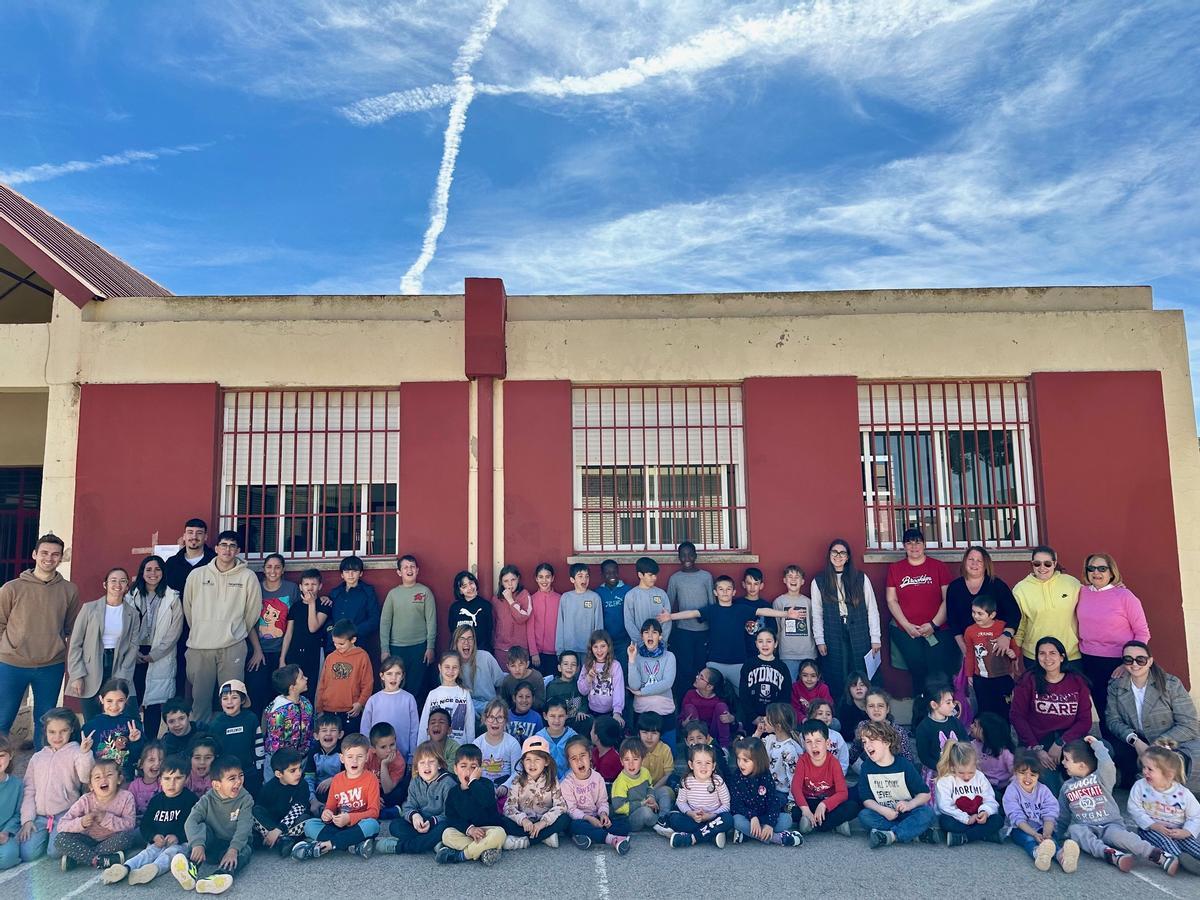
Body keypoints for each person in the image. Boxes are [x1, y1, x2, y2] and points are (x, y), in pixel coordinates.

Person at [1059, 735, 1178, 874]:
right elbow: (1063, 814)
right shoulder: (1066, 787)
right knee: (1075, 831)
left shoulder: (1101, 777)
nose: (1062, 762)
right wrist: (1057, 836)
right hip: (1086, 826)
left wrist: (1097, 745)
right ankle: (1111, 854)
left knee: (1124, 837)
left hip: (1111, 825)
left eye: (1066, 759)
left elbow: (1107, 764)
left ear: (1081, 765)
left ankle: (1158, 855)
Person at [182, 531, 263, 723]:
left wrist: (233, 630)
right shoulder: (197, 575)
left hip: (232, 646)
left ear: (238, 550)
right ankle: (199, 745)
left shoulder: (247, 577)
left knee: (232, 699)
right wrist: (203, 629)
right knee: (200, 700)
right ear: (216, 548)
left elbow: (251, 613)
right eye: (224, 545)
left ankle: (231, 744)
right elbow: (188, 608)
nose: (227, 549)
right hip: (200, 647)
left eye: (232, 546)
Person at [1076, 553, 1151, 745]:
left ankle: (1135, 757)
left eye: (1102, 568)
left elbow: (1142, 632)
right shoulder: (1082, 592)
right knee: (1103, 710)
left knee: (1123, 713)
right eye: (1091, 568)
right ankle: (1112, 758)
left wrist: (1127, 663)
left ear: (1111, 572)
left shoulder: (1125, 596)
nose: (1096, 572)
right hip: (1089, 660)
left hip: (1119, 662)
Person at [1107, 640, 1200, 784]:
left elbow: (1189, 724)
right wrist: (1135, 741)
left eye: (1141, 660)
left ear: (1150, 661)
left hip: (1174, 743)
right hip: (1138, 744)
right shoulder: (1116, 687)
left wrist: (1158, 744)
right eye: (1128, 659)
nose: (1134, 664)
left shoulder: (1170, 684)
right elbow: (1113, 720)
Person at [1010, 637, 1092, 793]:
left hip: (1068, 741)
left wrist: (1061, 742)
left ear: (1062, 657)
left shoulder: (1077, 681)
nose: (1047, 658)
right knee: (1050, 785)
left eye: (1052, 653)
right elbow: (1017, 716)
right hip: (1039, 742)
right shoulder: (1028, 680)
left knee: (1104, 750)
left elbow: (1085, 721)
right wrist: (1037, 749)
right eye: (1042, 653)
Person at [102, 753, 197, 884]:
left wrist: (178, 837)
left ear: (186, 779)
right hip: (158, 841)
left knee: (170, 854)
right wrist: (153, 836)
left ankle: (153, 869)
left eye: (178, 778)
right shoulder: (156, 800)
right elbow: (145, 825)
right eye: (167, 778)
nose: (172, 783)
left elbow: (195, 825)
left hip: (181, 843)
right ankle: (126, 868)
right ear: (160, 780)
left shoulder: (190, 799)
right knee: (146, 853)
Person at [885, 527, 955, 696]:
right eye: (909, 542)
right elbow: (891, 600)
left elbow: (948, 599)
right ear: (904, 546)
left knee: (938, 671)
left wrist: (933, 624)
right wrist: (907, 626)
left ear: (924, 545)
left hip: (938, 630)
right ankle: (921, 709)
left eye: (918, 542)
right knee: (917, 670)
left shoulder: (938, 567)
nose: (914, 546)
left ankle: (942, 708)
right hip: (908, 631)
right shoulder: (896, 569)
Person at [17, 707, 94, 861]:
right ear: (45, 731)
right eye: (52, 732)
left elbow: (86, 777)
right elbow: (29, 790)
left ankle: (75, 836)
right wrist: (27, 820)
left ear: (71, 729)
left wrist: (85, 753)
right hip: (40, 816)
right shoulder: (37, 758)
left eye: (63, 731)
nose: (57, 736)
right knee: (27, 854)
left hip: (65, 814)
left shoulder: (76, 753)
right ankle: (47, 834)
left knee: (55, 852)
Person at [67, 568, 141, 722]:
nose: (118, 584)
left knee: (129, 715)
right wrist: (77, 675)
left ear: (127, 586)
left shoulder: (132, 613)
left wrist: (124, 673)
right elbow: (76, 643)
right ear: (105, 585)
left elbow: (134, 645)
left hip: (119, 665)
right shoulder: (89, 609)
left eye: (123, 581)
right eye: (113, 580)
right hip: (90, 668)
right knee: (92, 719)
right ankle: (95, 747)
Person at [292, 733, 380, 860]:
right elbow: (330, 807)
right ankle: (352, 845)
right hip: (339, 825)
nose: (354, 761)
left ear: (367, 757)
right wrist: (327, 814)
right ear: (342, 758)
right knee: (310, 825)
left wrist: (349, 817)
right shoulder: (337, 779)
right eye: (349, 757)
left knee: (372, 825)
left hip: (359, 824)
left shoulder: (371, 779)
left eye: (360, 756)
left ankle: (326, 845)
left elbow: (374, 812)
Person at [811, 539, 880, 701]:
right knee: (837, 672)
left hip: (859, 631)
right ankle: (840, 712)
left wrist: (875, 638)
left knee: (861, 672)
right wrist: (819, 640)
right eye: (834, 552)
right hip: (833, 633)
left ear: (848, 557)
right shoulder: (819, 581)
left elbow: (872, 609)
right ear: (829, 555)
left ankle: (865, 711)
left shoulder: (861, 578)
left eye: (842, 553)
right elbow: (817, 613)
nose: (838, 556)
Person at [173, 755, 254, 892]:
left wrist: (233, 850)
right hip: (210, 845)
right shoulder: (207, 799)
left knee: (245, 851)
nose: (239, 781)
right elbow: (191, 820)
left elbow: (244, 828)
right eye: (232, 778)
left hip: (233, 845)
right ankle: (190, 869)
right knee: (202, 829)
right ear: (217, 785)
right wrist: (197, 844)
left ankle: (220, 876)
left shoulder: (245, 799)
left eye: (241, 776)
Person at [126, 555, 183, 740]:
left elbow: (175, 630)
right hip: (134, 653)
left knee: (154, 702)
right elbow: (124, 627)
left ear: (163, 573)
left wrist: (155, 654)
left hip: (159, 654)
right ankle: (135, 744)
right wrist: (134, 651)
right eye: (148, 569)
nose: (153, 573)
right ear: (142, 572)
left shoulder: (172, 597)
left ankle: (151, 743)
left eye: (157, 569)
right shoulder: (130, 596)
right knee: (133, 700)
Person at [856, 720, 935, 848]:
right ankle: (913, 832)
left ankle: (891, 835)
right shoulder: (867, 767)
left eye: (872, 740)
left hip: (907, 812)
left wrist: (910, 804)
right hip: (884, 814)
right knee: (864, 816)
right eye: (864, 742)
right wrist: (882, 810)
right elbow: (866, 799)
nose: (867, 745)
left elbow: (925, 794)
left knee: (927, 813)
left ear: (887, 742)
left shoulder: (903, 765)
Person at [1003, 749, 1078, 872]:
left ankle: (1062, 857)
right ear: (1016, 772)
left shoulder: (1043, 790)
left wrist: (1046, 833)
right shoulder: (1012, 791)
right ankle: (1038, 854)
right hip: (1020, 828)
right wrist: (1034, 834)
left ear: (1038, 776)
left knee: (1051, 840)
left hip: (1042, 826)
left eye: (1033, 774)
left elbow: (1050, 812)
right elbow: (1016, 817)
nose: (1028, 778)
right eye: (1023, 773)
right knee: (1029, 840)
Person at [164, 519, 215, 699]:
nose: (194, 537)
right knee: (177, 666)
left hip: (207, 624)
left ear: (205, 537)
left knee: (207, 670)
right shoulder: (171, 563)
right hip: (178, 624)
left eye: (199, 533)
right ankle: (177, 711)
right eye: (190, 532)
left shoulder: (214, 562)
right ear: (184, 536)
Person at [375, 740, 455, 855]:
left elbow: (450, 814)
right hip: (420, 823)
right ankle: (433, 843)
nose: (426, 766)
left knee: (445, 828)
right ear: (416, 767)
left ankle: (399, 847)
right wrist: (414, 816)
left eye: (431, 761)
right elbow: (408, 806)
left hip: (438, 823)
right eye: (422, 762)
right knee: (395, 826)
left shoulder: (447, 783)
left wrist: (432, 822)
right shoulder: (415, 782)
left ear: (440, 764)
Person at [55, 759, 136, 870]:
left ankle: (79, 856)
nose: (103, 779)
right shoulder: (85, 800)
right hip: (87, 839)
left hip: (111, 840)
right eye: (97, 777)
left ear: (119, 779)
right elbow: (61, 825)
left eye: (109, 775)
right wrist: (81, 822)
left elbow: (130, 824)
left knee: (128, 837)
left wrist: (106, 818)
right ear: (91, 785)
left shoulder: (126, 797)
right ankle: (100, 860)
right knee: (60, 839)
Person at [1128, 745, 1200, 871]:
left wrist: (1186, 832)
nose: (1145, 771)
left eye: (1150, 769)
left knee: (1190, 843)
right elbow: (1134, 808)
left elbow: (1195, 815)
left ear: (1169, 774)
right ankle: (1181, 859)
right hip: (1151, 830)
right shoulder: (1140, 786)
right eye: (1144, 767)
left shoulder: (1183, 794)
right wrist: (1153, 825)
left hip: (1178, 831)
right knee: (1165, 841)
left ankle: (1195, 858)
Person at [379, 555, 437, 706]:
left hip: (419, 648)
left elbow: (431, 621)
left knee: (417, 689)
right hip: (396, 648)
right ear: (399, 572)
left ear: (417, 570)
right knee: (397, 686)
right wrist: (385, 649)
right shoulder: (393, 594)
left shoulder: (425, 592)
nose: (409, 570)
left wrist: (430, 647)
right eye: (405, 567)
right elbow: (385, 622)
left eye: (412, 567)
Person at [945, 546, 1020, 660]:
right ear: (965, 561)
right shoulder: (955, 587)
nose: (974, 563)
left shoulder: (997, 585)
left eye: (979, 561)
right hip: (966, 644)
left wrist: (1006, 636)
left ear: (986, 565)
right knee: (969, 676)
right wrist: (964, 648)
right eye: (971, 559)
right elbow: (952, 619)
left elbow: (1014, 614)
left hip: (996, 645)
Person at [436, 744, 506, 866]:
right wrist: (470, 829)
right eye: (463, 766)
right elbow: (452, 818)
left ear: (479, 770)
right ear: (455, 769)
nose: (468, 771)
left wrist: (473, 782)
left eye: (473, 767)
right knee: (447, 834)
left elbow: (486, 801)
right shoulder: (453, 792)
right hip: (468, 832)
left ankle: (462, 855)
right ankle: (482, 851)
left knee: (500, 834)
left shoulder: (486, 785)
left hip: (488, 830)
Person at [1012, 545, 1082, 665]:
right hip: (1035, 655)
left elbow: (1091, 601)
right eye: (1037, 563)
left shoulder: (1072, 583)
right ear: (1032, 564)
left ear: (1055, 564)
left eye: (1047, 564)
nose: (1042, 568)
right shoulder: (1020, 589)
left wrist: (1114, 588)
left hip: (1069, 655)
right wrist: (1015, 650)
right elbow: (1020, 624)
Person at [560, 735, 630, 853]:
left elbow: (602, 801)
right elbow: (571, 810)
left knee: (624, 824)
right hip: (580, 819)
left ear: (590, 756)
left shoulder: (597, 778)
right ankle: (611, 839)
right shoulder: (567, 783)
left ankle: (586, 836)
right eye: (574, 758)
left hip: (596, 817)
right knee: (574, 826)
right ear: (569, 762)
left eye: (583, 756)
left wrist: (603, 814)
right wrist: (588, 818)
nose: (579, 761)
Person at [248, 554, 297, 714]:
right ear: (263, 569)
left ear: (283, 570)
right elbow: (250, 622)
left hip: (282, 650)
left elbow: (296, 618)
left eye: (277, 567)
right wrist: (257, 650)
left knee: (280, 696)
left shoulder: (291, 589)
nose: (273, 571)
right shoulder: (256, 588)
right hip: (258, 651)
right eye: (269, 567)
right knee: (257, 693)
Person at [665, 542, 714, 705]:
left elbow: (712, 603)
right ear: (679, 557)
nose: (687, 558)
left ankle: (701, 702)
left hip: (703, 630)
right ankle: (685, 703)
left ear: (695, 556)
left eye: (690, 554)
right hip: (683, 631)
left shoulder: (706, 576)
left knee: (700, 667)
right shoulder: (675, 578)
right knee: (685, 669)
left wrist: (707, 619)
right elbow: (669, 604)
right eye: (683, 555)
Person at [728, 736, 799, 845]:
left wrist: (770, 824)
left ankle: (748, 834)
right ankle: (776, 838)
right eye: (738, 759)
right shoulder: (737, 777)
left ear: (758, 760)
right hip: (747, 817)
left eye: (745, 760)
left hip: (765, 816)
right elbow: (736, 804)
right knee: (736, 821)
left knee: (786, 819)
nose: (741, 764)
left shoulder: (765, 776)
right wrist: (752, 816)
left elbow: (773, 801)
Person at [502, 735, 569, 848]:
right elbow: (508, 807)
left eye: (537, 759)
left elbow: (561, 806)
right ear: (523, 762)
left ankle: (526, 841)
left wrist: (543, 823)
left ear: (546, 762)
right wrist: (523, 820)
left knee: (565, 819)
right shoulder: (517, 780)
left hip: (544, 823)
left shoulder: (552, 779)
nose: (532, 764)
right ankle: (544, 837)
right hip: (524, 823)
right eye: (528, 759)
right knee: (502, 821)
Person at [792, 719, 857, 836]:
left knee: (852, 806)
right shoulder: (802, 761)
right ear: (804, 744)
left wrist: (824, 805)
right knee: (795, 811)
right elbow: (796, 789)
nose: (814, 746)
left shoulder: (833, 762)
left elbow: (842, 792)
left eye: (818, 741)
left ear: (827, 743)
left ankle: (813, 824)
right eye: (809, 742)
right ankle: (835, 824)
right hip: (810, 802)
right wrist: (805, 809)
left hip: (828, 803)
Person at [933, 740, 1003, 845]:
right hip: (958, 818)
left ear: (976, 765)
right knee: (945, 821)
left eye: (971, 772)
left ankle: (964, 837)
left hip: (978, 818)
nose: (966, 777)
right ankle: (984, 834)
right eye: (961, 773)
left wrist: (985, 812)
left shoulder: (980, 776)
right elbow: (944, 806)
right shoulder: (945, 780)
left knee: (998, 820)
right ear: (952, 766)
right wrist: (966, 819)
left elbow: (989, 799)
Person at [665, 743, 732, 849]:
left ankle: (691, 838)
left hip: (713, 819)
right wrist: (691, 813)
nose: (703, 767)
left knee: (728, 819)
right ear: (691, 765)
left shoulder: (718, 781)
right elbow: (680, 802)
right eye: (699, 763)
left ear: (713, 766)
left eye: (708, 763)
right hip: (694, 819)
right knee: (675, 819)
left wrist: (712, 815)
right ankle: (711, 835)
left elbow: (726, 805)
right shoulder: (686, 781)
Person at [963, 594, 1016, 719]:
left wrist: (1013, 654)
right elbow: (969, 654)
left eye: (980, 613)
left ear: (992, 615)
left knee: (1005, 709)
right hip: (981, 678)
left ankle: (1004, 735)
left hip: (1002, 676)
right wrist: (969, 674)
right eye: (973, 612)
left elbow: (1014, 648)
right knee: (985, 709)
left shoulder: (1003, 627)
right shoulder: (970, 631)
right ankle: (986, 736)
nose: (975, 616)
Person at [315, 619, 373, 735]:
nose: (337, 646)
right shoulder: (331, 657)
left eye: (341, 644)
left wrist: (360, 703)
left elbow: (368, 683)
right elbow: (322, 684)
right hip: (329, 710)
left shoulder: (362, 656)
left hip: (350, 711)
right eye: (334, 643)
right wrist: (319, 708)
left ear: (353, 640)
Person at [252, 748, 312, 858]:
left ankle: (280, 839)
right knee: (255, 812)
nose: (298, 773)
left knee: (307, 820)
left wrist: (279, 830)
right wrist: (273, 829)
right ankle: (283, 840)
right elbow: (260, 810)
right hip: (272, 824)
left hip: (292, 823)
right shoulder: (269, 788)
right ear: (279, 774)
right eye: (293, 771)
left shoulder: (302, 785)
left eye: (299, 768)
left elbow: (297, 810)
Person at [208, 679, 264, 795]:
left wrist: (259, 769)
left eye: (234, 698)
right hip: (226, 775)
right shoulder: (216, 723)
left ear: (242, 700)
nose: (229, 702)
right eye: (225, 699)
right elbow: (213, 751)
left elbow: (258, 744)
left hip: (249, 771)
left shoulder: (251, 718)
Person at [82, 678, 144, 782]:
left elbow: (138, 757)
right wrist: (84, 751)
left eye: (120, 701)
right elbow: (85, 761)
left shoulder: (133, 725)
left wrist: (135, 742)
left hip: (125, 778)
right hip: (100, 780)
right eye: (109, 701)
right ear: (101, 699)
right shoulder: (90, 726)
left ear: (127, 699)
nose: (114, 706)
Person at [361, 655, 419, 765]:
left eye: (398, 673)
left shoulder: (409, 699)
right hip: (377, 756)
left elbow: (414, 729)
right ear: (382, 676)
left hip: (402, 756)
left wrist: (412, 754)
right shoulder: (374, 700)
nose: (394, 678)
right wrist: (368, 751)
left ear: (402, 676)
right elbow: (365, 728)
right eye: (389, 674)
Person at [627, 619, 676, 737]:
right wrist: (632, 660)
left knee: (668, 752)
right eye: (646, 632)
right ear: (642, 636)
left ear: (660, 636)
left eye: (654, 632)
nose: (649, 635)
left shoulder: (669, 656)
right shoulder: (637, 657)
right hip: (642, 710)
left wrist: (642, 692)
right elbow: (634, 686)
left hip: (664, 709)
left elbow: (667, 683)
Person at [263, 665, 314, 778]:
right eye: (301, 677)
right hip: (281, 765)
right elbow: (275, 743)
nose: (306, 678)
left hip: (302, 759)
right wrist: (284, 768)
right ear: (292, 687)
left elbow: (310, 729)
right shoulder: (278, 712)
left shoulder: (306, 703)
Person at [289, 569, 331, 702]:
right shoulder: (295, 607)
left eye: (313, 584)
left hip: (314, 653)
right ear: (301, 587)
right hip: (294, 652)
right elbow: (289, 633)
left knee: (312, 688)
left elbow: (313, 627)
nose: (310, 588)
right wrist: (282, 658)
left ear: (320, 586)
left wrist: (312, 604)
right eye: (306, 584)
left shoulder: (324, 605)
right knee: (294, 687)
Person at [325, 556, 379, 658]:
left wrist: (351, 633)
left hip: (358, 643)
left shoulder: (368, 592)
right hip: (335, 644)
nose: (350, 575)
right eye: (346, 571)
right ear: (342, 575)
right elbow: (328, 618)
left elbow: (374, 619)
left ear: (361, 573)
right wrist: (332, 632)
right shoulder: (335, 593)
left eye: (354, 571)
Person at [740, 631, 793, 733]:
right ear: (756, 644)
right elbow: (744, 694)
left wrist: (774, 717)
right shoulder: (749, 665)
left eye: (769, 641)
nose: (764, 645)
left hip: (775, 721)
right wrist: (753, 717)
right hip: (752, 721)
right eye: (760, 641)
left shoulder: (782, 667)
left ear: (775, 643)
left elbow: (786, 695)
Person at [912, 683, 970, 775]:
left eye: (952, 701)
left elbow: (966, 743)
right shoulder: (924, 728)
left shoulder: (955, 722)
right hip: (936, 772)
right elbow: (924, 757)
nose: (952, 705)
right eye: (948, 703)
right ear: (934, 705)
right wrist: (943, 768)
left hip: (958, 769)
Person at [419, 651, 475, 745]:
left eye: (454, 667)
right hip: (436, 749)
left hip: (459, 749)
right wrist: (421, 749)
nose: (450, 671)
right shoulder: (433, 694)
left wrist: (470, 749)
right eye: (447, 667)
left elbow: (470, 725)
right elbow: (424, 725)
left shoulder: (464, 694)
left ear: (459, 669)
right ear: (440, 667)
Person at [623, 558, 671, 658]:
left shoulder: (661, 594)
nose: (654, 578)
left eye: (655, 575)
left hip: (660, 647)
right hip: (639, 648)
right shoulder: (631, 595)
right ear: (640, 575)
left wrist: (661, 641)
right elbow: (629, 622)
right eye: (650, 575)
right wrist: (641, 642)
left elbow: (667, 620)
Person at [774, 565, 815, 680]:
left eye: (797, 577)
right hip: (787, 654)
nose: (793, 579)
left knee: (808, 684)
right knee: (790, 685)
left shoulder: (808, 602)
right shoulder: (779, 602)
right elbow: (777, 628)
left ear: (802, 581)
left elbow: (813, 626)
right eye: (790, 576)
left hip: (808, 652)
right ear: (784, 580)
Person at [453, 624, 505, 715]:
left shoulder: (486, 658)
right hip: (464, 712)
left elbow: (501, 682)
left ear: (474, 642)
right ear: (456, 643)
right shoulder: (451, 665)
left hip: (491, 712)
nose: (466, 642)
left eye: (470, 638)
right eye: (462, 638)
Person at [473, 699, 522, 796]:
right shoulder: (477, 744)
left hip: (506, 789)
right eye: (491, 717)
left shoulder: (513, 744)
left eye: (499, 717)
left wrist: (506, 786)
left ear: (506, 721)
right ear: (485, 719)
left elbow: (518, 771)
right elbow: (473, 770)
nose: (495, 722)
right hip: (482, 789)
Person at [756, 703, 802, 806]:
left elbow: (793, 778)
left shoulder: (789, 749)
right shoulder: (770, 739)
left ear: (778, 726)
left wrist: (791, 802)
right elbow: (751, 749)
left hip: (781, 793)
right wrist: (758, 732)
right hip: (766, 787)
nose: (763, 719)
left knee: (765, 804)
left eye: (767, 718)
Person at [611, 738, 660, 833]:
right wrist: (642, 804)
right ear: (621, 761)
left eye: (635, 759)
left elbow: (650, 787)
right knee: (646, 812)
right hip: (630, 818)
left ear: (643, 759)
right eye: (626, 759)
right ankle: (658, 821)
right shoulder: (621, 781)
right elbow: (618, 808)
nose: (631, 764)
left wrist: (651, 797)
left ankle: (663, 816)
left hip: (646, 803)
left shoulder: (645, 772)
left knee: (663, 792)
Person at [556, 564, 603, 660]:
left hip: (588, 650)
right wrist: (559, 650)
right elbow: (560, 624)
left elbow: (598, 625)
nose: (584, 579)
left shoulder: (594, 597)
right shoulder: (566, 598)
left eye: (587, 576)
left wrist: (598, 648)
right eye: (580, 576)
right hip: (569, 649)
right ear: (572, 579)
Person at [680, 667, 735, 747]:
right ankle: (695, 747)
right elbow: (681, 717)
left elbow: (733, 723)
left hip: (713, 733)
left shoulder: (719, 699)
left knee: (721, 707)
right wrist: (683, 723)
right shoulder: (690, 694)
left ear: (709, 687)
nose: (697, 677)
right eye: (698, 675)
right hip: (696, 733)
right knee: (689, 707)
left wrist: (731, 719)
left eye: (701, 677)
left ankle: (724, 749)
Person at [579, 630, 624, 725]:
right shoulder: (587, 665)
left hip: (610, 713)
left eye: (603, 646)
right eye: (595, 647)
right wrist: (589, 678)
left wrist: (617, 712)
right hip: (591, 712)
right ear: (591, 648)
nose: (599, 650)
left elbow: (618, 690)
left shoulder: (615, 666)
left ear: (609, 647)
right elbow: (582, 691)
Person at [595, 560, 630, 669]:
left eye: (614, 572)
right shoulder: (598, 592)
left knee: (623, 668)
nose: (612, 575)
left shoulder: (627, 590)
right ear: (602, 575)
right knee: (607, 670)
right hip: (606, 640)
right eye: (608, 573)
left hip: (624, 639)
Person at [448, 571, 493, 653]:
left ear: (475, 584)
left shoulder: (486, 606)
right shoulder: (454, 608)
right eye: (464, 586)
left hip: (480, 650)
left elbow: (489, 631)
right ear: (460, 591)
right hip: (460, 652)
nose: (469, 588)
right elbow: (453, 631)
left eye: (471, 583)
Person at [368, 721, 407, 817]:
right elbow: (358, 779)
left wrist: (384, 765)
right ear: (373, 749)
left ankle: (376, 810)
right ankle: (383, 811)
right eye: (383, 747)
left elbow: (388, 790)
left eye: (392, 745)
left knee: (398, 794)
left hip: (386, 791)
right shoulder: (368, 755)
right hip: (368, 790)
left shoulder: (399, 761)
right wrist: (372, 797)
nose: (389, 750)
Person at [970, 712, 1015, 791]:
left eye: (975, 725)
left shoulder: (1005, 752)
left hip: (1004, 787)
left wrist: (1011, 787)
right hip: (983, 785)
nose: (971, 726)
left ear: (987, 731)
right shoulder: (973, 745)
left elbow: (1015, 772)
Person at [528, 563, 560, 674]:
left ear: (553, 578)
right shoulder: (531, 599)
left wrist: (560, 651)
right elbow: (529, 627)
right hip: (536, 653)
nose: (544, 580)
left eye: (547, 577)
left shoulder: (560, 599)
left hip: (554, 652)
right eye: (541, 577)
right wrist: (533, 652)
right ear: (536, 578)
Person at [545, 651, 587, 732]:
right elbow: (549, 708)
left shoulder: (579, 684)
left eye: (573, 665)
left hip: (576, 720)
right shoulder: (552, 686)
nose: (569, 667)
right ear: (559, 668)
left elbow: (584, 701)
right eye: (566, 664)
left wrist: (582, 711)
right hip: (559, 722)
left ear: (578, 669)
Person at [499, 645, 545, 712]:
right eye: (513, 666)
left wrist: (524, 706)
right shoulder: (507, 681)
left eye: (520, 665)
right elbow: (504, 702)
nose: (517, 669)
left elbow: (540, 702)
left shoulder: (536, 677)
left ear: (527, 664)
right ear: (508, 667)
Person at [807, 700, 849, 772]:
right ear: (811, 716)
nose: (824, 716)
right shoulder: (805, 735)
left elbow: (843, 759)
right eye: (820, 713)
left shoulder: (837, 736)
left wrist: (839, 776)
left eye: (828, 714)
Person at [790, 658, 833, 723]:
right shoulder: (795, 687)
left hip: (820, 720)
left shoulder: (823, 688)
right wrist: (804, 719)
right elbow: (794, 708)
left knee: (835, 723)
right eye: (805, 675)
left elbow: (828, 707)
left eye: (813, 676)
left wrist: (818, 718)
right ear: (800, 676)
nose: (809, 679)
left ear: (818, 677)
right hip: (802, 721)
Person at [128, 742, 164, 817]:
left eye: (160, 760)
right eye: (151, 760)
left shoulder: (163, 783)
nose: (157, 763)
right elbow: (130, 810)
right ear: (141, 764)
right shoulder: (134, 786)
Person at [0, 737, 18, 870]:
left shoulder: (17, 785)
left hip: (4, 833)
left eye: (1, 756)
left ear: (10, 755)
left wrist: (6, 832)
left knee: (9, 856)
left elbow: (18, 814)